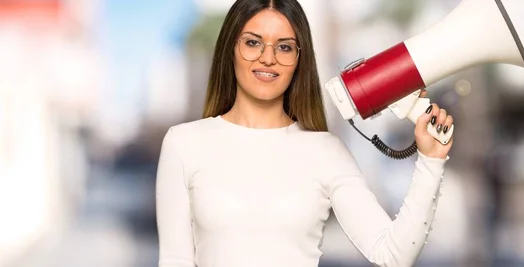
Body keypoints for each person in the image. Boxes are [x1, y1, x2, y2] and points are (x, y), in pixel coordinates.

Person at [155, 0, 454, 267]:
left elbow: (393, 256)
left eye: (284, 46)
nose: (268, 58)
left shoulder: (325, 151)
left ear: (300, 59)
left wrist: (431, 161)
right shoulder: (184, 144)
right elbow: (174, 261)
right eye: (253, 43)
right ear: (230, 48)